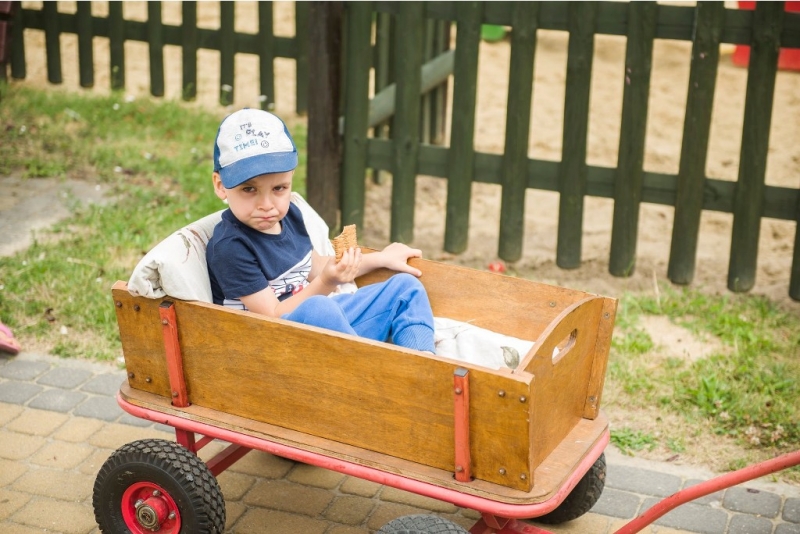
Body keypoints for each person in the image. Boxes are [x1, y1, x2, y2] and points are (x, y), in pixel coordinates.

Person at [206, 108, 436, 353]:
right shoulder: (230, 247)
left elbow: (316, 267)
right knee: (319, 307)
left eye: (279, 188)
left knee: (404, 287)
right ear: (221, 185)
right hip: (273, 347)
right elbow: (273, 316)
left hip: (328, 332)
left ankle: (421, 365)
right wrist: (327, 282)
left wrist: (380, 259)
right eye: (249, 189)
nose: (267, 205)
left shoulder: (290, 216)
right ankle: (371, 368)